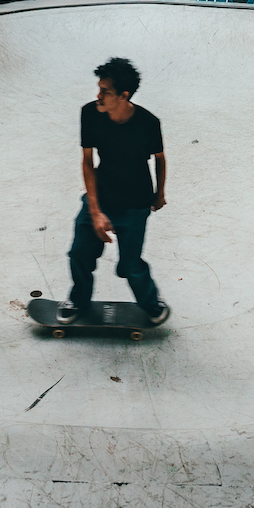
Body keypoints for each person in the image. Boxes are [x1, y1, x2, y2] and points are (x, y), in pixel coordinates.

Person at [58, 57, 170, 326]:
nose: (98, 96)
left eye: (105, 92)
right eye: (99, 89)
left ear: (124, 95)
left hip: (135, 202)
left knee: (130, 266)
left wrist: (160, 193)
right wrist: (95, 211)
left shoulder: (148, 122)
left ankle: (151, 303)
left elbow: (160, 158)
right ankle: (79, 300)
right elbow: (87, 162)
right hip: (101, 195)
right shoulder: (90, 113)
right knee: (79, 254)